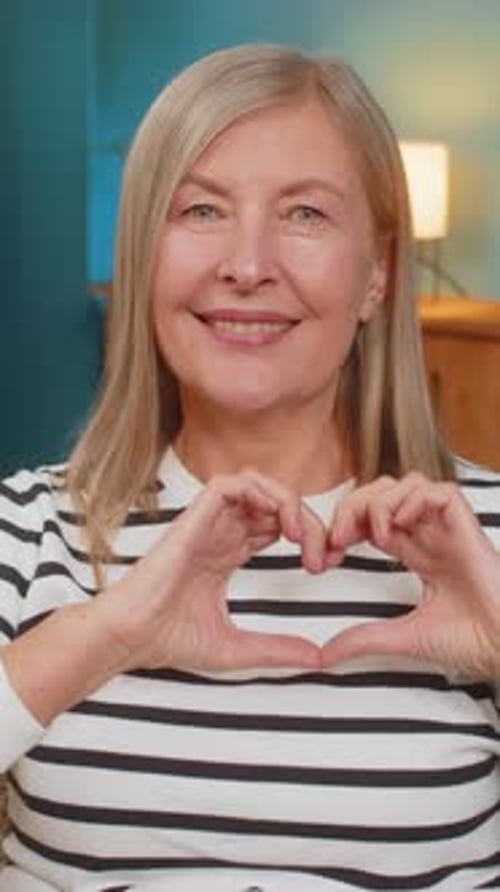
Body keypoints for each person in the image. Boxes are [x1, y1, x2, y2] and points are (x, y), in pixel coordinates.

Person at [0, 43, 499, 892]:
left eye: (305, 214)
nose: (248, 263)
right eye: (199, 211)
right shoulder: (27, 526)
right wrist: (109, 632)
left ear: (378, 273)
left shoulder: (481, 543)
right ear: (142, 254)